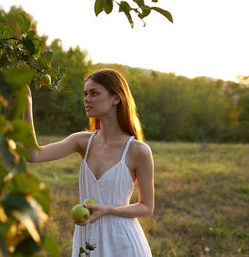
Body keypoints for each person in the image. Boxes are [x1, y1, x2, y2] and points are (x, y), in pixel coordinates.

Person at [23, 69, 154, 257]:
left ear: (116, 98)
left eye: (94, 93)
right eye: (85, 94)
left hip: (123, 243)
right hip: (87, 240)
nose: (86, 99)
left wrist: (107, 210)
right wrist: (27, 102)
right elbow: (32, 154)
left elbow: (146, 207)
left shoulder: (138, 151)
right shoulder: (82, 142)